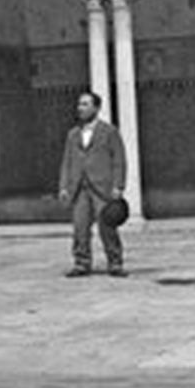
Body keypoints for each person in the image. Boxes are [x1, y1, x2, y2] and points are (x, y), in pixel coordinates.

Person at [57, 89, 128, 277]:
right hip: (79, 188)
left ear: (96, 108)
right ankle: (81, 262)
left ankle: (115, 262)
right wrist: (64, 186)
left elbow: (119, 160)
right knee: (80, 227)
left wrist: (118, 186)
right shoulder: (73, 134)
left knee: (107, 226)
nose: (80, 108)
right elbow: (67, 161)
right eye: (79, 104)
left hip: (102, 188)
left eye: (85, 104)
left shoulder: (109, 132)